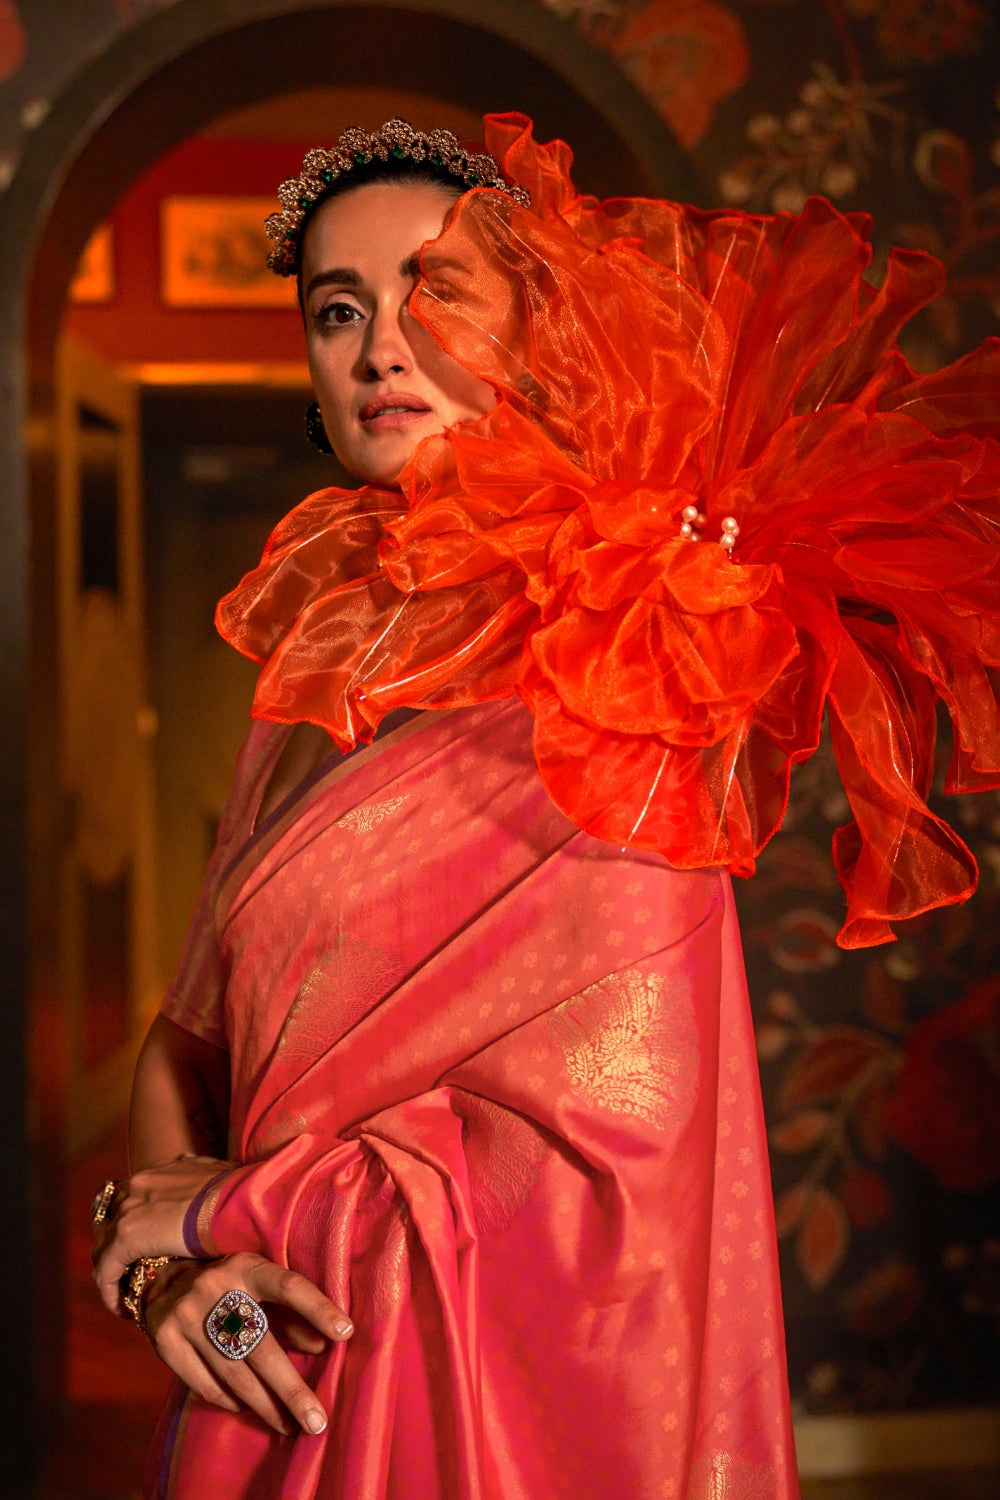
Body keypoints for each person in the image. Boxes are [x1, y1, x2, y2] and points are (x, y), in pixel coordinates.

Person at [91, 114, 1000, 1500]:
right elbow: (190, 1036)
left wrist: (228, 1206)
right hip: (254, 1368)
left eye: (436, 294)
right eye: (339, 311)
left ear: (535, 343)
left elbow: (594, 1197)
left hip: (461, 1416)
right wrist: (166, 1275)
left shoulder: (626, 683)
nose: (382, 345)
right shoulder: (311, 686)